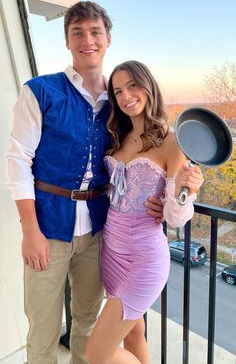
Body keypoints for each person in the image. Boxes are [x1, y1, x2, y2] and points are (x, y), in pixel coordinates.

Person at [6, 2, 164, 364]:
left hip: (98, 232)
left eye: (95, 32)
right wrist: (30, 230)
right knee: (43, 329)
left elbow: (149, 151)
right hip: (47, 229)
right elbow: (17, 161)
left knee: (87, 322)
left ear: (107, 39)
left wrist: (172, 194)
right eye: (77, 32)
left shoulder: (121, 102)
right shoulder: (41, 92)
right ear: (67, 41)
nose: (87, 40)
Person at [85, 60, 204, 364]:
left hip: (145, 256)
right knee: (134, 334)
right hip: (112, 250)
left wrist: (187, 191)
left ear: (148, 86)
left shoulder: (172, 141)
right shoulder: (117, 137)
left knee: (96, 354)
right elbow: (117, 192)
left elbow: (176, 219)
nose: (126, 96)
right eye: (118, 91)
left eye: (133, 86)